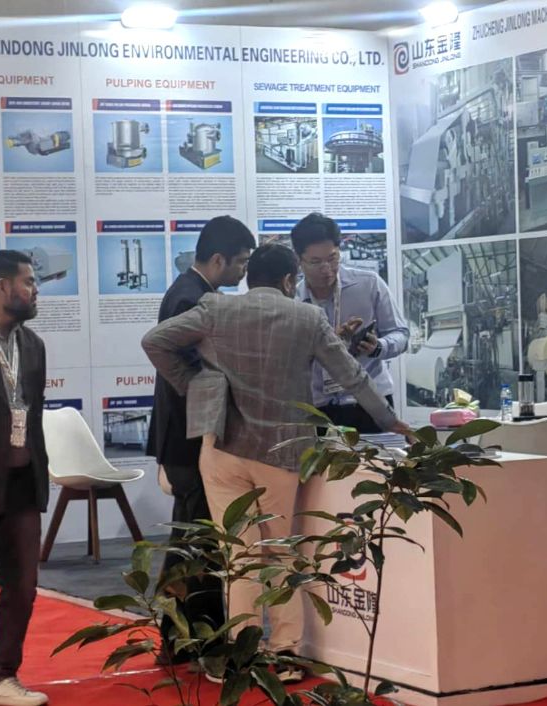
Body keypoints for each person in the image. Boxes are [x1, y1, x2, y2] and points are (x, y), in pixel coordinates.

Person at [141, 243, 408, 681]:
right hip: (280, 451)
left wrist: (195, 384)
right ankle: (284, 653)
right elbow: (352, 376)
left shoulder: (215, 309)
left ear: (250, 278)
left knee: (238, 555)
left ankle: (240, 654)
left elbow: (154, 341)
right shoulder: (307, 317)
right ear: (289, 280)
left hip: (222, 448)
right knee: (281, 553)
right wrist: (390, 420)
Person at [146, 216, 255, 663]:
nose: (244, 272)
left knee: (196, 539)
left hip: (188, 435)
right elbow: (186, 364)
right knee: (197, 542)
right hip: (188, 439)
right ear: (218, 259)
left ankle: (183, 638)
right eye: (241, 263)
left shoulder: (194, 292)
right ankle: (190, 638)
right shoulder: (190, 299)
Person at [0, 251, 48, 706]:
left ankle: (0, 678)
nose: (36, 290)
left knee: (22, 585)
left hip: (21, 478)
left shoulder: (34, 345)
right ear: (2, 286)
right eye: (29, 281)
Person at [291, 213, 408, 432]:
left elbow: (401, 333)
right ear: (299, 260)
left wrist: (379, 347)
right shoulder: (293, 301)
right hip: (318, 409)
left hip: (371, 404)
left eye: (332, 258)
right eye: (315, 262)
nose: (326, 268)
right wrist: (326, 344)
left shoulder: (369, 284)